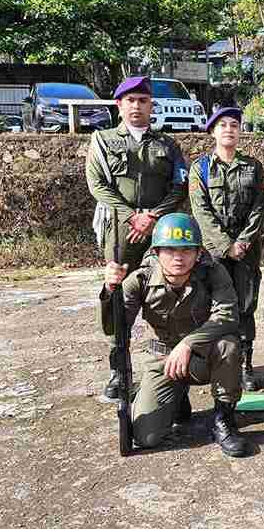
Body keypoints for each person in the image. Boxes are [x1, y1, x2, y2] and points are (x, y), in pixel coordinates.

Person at [100, 213, 250, 457]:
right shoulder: (140, 279)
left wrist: (188, 343)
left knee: (229, 345)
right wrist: (109, 291)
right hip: (162, 360)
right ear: (157, 252)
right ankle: (175, 396)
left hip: (203, 357)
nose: (178, 257)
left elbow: (227, 316)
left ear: (198, 252)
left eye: (186, 250)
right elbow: (114, 328)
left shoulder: (214, 272)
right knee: (145, 437)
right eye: (169, 250)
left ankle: (224, 419)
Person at [86, 75, 189, 401]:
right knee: (118, 295)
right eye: (130, 101)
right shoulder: (102, 140)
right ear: (119, 105)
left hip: (161, 230)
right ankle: (119, 371)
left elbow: (179, 186)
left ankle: (172, 368)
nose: (136, 106)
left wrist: (153, 216)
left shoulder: (168, 145)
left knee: (170, 292)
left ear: (151, 106)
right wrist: (133, 215)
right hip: (122, 230)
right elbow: (98, 184)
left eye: (143, 101)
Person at [189, 107, 264, 392]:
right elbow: (201, 211)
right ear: (212, 131)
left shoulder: (253, 166)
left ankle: (246, 365)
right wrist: (225, 245)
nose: (229, 130)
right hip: (215, 253)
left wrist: (243, 242)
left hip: (246, 251)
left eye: (234, 125)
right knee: (216, 306)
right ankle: (218, 362)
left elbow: (259, 206)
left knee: (246, 306)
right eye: (222, 125)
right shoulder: (201, 168)